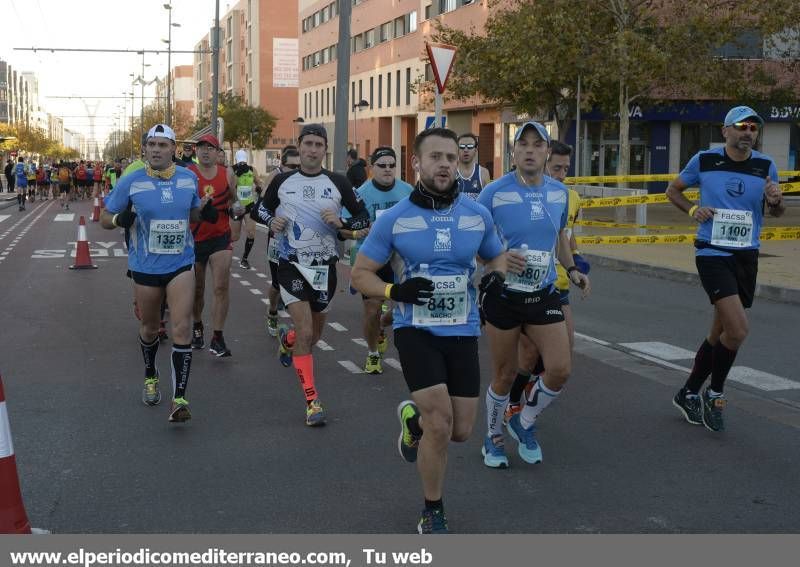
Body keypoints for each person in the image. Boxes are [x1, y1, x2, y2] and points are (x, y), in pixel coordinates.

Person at [351, 127, 506, 534]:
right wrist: (394, 290)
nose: (444, 164)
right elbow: (360, 273)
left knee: (461, 430)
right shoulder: (395, 218)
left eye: (451, 158)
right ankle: (432, 509)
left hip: (463, 329)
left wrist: (495, 279)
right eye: (435, 157)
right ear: (416, 163)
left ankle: (412, 422)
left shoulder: (477, 215)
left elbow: (497, 258)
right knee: (441, 421)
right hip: (414, 328)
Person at [477, 121, 590, 469]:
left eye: (536, 144)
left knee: (560, 368)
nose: (529, 150)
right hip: (504, 297)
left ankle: (523, 421)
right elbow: (475, 241)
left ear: (546, 152)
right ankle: (492, 437)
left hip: (542, 293)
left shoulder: (559, 193)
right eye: (522, 144)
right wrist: (495, 259)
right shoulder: (493, 192)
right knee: (505, 374)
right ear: (513, 151)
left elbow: (559, 239)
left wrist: (572, 270)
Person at [666, 105, 783, 433]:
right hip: (712, 252)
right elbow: (673, 190)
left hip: (746, 256)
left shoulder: (766, 166)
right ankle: (714, 393)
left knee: (720, 332)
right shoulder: (704, 160)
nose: (748, 132)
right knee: (738, 329)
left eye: (754, 128)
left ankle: (688, 391)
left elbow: (777, 212)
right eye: (742, 126)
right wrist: (692, 210)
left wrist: (775, 201)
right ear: (726, 131)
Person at [100, 124, 218, 422]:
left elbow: (191, 214)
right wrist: (118, 218)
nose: (155, 150)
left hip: (180, 263)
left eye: (162, 145)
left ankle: (179, 398)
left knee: (181, 328)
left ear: (173, 149)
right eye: (151, 145)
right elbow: (104, 218)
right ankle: (151, 374)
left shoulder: (188, 179)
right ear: (145, 149)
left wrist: (203, 212)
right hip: (145, 266)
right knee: (151, 328)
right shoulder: (132, 181)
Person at [254, 123, 369, 426]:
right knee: (306, 332)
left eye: (319, 145)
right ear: (300, 146)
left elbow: (363, 218)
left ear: (325, 149)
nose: (313, 149)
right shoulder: (282, 181)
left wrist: (341, 221)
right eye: (308, 144)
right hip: (290, 264)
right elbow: (259, 210)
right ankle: (312, 400)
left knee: (313, 335)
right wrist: (272, 222)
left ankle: (287, 338)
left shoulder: (339, 183)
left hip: (324, 268)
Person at [503, 141, 589, 424]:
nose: (561, 174)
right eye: (556, 168)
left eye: (566, 169)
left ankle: (532, 395)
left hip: (556, 284)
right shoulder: (509, 193)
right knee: (527, 355)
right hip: (518, 288)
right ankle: (513, 403)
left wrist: (575, 265)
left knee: (565, 349)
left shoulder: (566, 195)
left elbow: (564, 234)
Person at [347, 146, 414, 374]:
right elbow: (345, 226)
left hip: (401, 258)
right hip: (372, 260)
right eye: (382, 165)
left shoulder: (408, 191)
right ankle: (373, 353)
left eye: (392, 165)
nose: (387, 170)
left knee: (403, 308)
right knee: (371, 309)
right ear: (372, 168)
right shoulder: (360, 194)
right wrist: (363, 230)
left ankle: (382, 327)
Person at [187, 133, 237, 357]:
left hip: (220, 238)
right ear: (196, 152)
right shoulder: (188, 175)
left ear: (218, 153)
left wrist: (238, 211)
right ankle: (197, 326)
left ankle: (218, 337)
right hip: (195, 239)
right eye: (201, 147)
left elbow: (235, 202)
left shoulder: (228, 174)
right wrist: (198, 206)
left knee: (220, 287)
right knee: (197, 290)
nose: (205, 151)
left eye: (210, 147)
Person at [262, 147, 300, 337]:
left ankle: (298, 329)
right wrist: (271, 220)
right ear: (282, 165)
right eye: (291, 166)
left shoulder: (307, 181)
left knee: (298, 283)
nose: (295, 170)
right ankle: (272, 312)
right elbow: (261, 208)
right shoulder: (275, 179)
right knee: (278, 283)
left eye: (298, 166)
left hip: (300, 241)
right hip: (277, 239)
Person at [230, 149, 262, 270]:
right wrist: (237, 174)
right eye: (240, 161)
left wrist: (260, 188)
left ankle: (244, 259)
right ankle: (225, 255)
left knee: (251, 232)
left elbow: (259, 182)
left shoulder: (252, 170)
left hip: (249, 205)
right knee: (234, 236)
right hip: (237, 206)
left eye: (243, 161)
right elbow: (230, 187)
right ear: (236, 160)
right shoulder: (232, 170)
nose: (242, 163)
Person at [455, 133, 491, 200]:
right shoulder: (451, 172)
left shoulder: (484, 173)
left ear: (475, 150)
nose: (466, 150)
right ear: (457, 150)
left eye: (470, 146)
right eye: (462, 147)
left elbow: (488, 200)